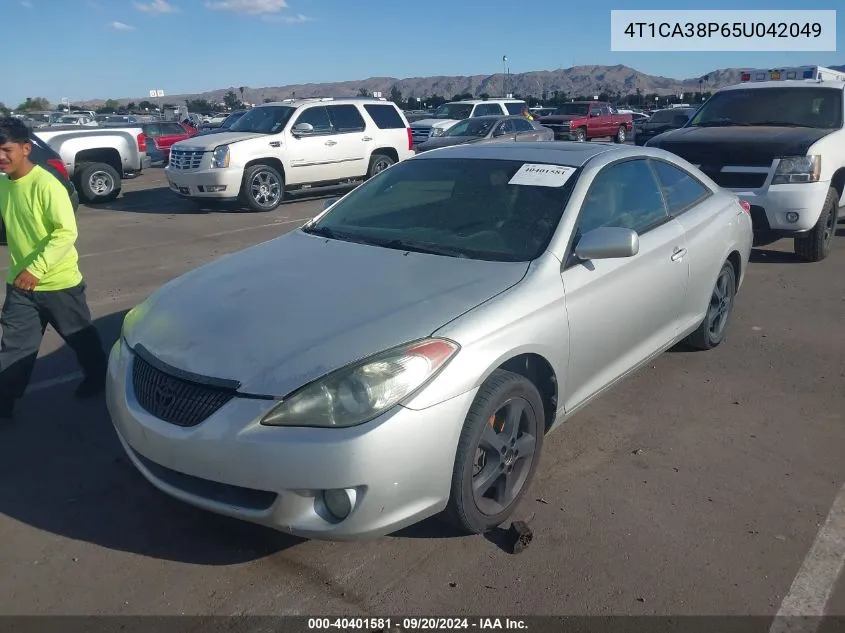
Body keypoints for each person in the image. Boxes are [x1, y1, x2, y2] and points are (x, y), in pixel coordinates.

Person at [0, 117, 107, 420]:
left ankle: (98, 375)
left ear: (25, 148)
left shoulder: (47, 184)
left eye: (6, 149)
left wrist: (36, 269)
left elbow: (65, 233)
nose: (1, 157)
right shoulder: (3, 185)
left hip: (58, 283)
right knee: (15, 346)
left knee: (80, 337)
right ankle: (4, 400)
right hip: (20, 285)